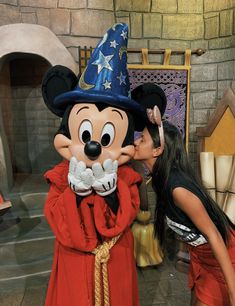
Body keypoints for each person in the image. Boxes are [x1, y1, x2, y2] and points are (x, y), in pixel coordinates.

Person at [41, 24, 145, 306]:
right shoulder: (61, 177)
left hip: (115, 261)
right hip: (74, 265)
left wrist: (112, 195)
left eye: (106, 137)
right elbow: (58, 224)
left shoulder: (128, 178)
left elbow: (127, 215)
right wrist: (74, 195)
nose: (93, 146)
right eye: (86, 134)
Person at [132, 83, 235, 306]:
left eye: (142, 140)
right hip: (202, 257)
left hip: (225, 256)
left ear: (157, 150)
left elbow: (216, 237)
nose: (136, 142)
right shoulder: (161, 179)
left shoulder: (178, 189)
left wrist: (234, 291)